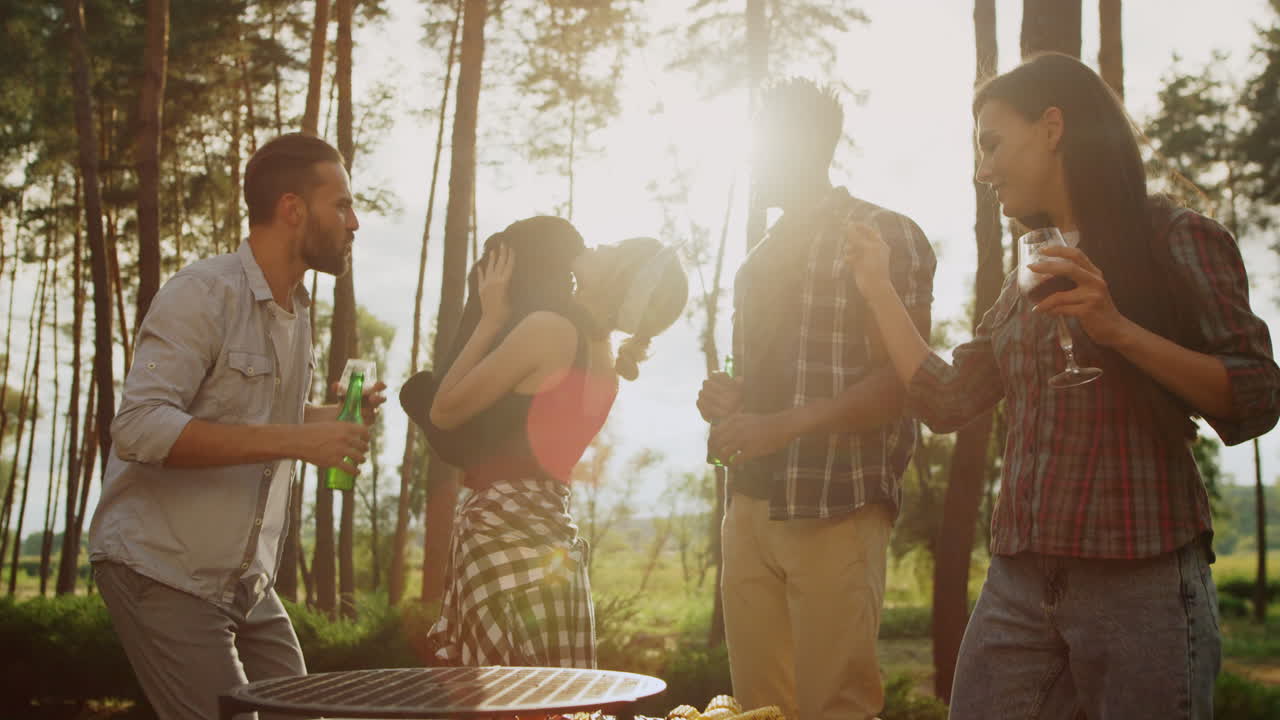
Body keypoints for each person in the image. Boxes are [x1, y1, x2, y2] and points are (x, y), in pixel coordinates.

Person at [845, 53, 1280, 719]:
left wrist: (1117, 329)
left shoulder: (1177, 236)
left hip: (1140, 583)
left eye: (993, 143)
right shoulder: (1031, 271)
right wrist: (877, 289)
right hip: (1019, 584)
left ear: (1052, 127)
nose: (982, 169)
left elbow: (1256, 397)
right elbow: (948, 399)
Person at [88, 132, 387, 720]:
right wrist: (301, 440)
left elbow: (252, 418)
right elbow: (141, 427)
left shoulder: (296, 311)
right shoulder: (201, 293)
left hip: (244, 582)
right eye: (342, 205)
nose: (354, 223)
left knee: (301, 712)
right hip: (164, 568)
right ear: (292, 208)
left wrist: (329, 422)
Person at [698, 78, 937, 720]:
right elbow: (759, 379)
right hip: (748, 510)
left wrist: (783, 426)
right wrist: (726, 398)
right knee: (757, 711)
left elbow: (902, 384)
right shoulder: (755, 262)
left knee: (837, 708)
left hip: (837, 504)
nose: (750, 162)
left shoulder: (883, 234)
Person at [423, 229, 688, 668]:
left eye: (614, 248)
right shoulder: (606, 367)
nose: (600, 243)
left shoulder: (551, 331)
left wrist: (491, 319)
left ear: (619, 281)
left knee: (498, 697)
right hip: (554, 547)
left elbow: (444, 410)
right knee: (555, 696)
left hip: (500, 536)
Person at [400, 216, 587, 470]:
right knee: (419, 390)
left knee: (417, 390)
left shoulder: (545, 327)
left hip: (498, 470)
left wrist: (491, 319)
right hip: (495, 455)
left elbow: (441, 414)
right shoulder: (562, 323)